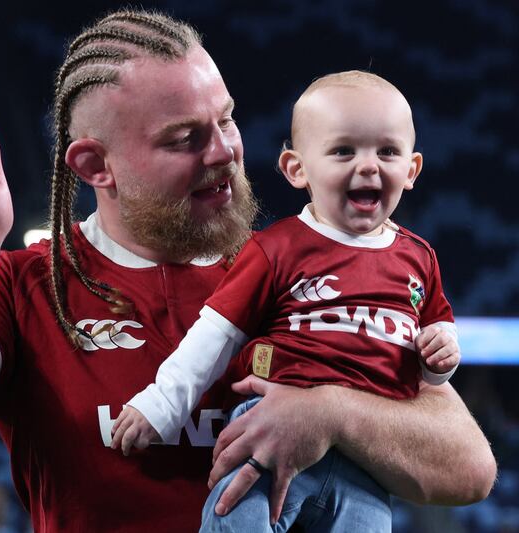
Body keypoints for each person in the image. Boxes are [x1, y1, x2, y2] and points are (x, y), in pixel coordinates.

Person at [0, 9, 496, 533]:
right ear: (94, 165)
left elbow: (467, 467)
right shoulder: (28, 284)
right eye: (185, 138)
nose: (224, 151)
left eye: (226, 119)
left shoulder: (299, 264)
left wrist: (331, 413)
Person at [111, 70, 461, 531]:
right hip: (269, 428)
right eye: (343, 151)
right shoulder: (276, 248)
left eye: (387, 151)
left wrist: (442, 353)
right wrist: (160, 405)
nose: (369, 165)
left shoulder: (420, 258)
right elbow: (215, 334)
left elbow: (434, 350)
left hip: (367, 457)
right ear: (297, 168)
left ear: (412, 169)